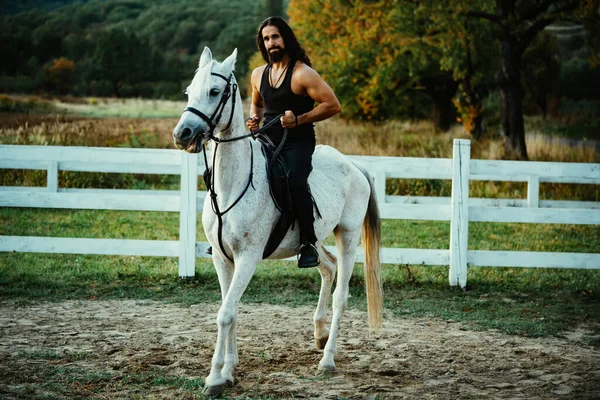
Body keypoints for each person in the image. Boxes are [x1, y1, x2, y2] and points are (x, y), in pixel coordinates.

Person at [246, 16, 342, 268]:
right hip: (266, 138)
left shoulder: (303, 74)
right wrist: (254, 118)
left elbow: (333, 105)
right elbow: (257, 102)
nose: (271, 43)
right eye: (266, 39)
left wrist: (298, 119)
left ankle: (308, 243)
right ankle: (230, 235)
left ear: (286, 38)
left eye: (275, 36)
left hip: (296, 141)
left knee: (295, 181)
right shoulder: (258, 74)